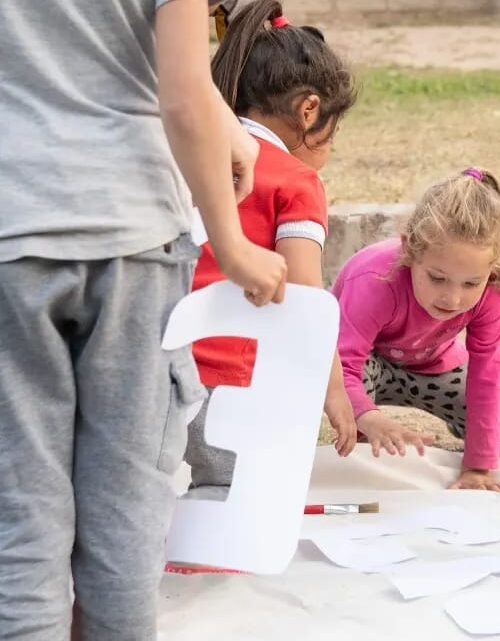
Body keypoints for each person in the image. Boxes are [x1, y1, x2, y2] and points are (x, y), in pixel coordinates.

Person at [0, 0, 288, 637]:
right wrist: (231, 243)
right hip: (130, 237)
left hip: (11, 235)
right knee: (124, 510)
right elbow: (182, 93)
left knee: (21, 518)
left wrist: (219, 116)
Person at [183, 0, 360, 497]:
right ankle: (209, 566)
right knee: (232, 491)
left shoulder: (188, 151)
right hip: (231, 382)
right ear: (310, 111)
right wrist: (333, 389)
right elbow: (305, 296)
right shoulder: (297, 182)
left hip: (157, 371)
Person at [332, 169, 500, 494]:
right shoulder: (374, 279)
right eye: (437, 278)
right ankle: (371, 443)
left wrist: (478, 467)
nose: (452, 299)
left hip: (434, 369)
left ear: (491, 270)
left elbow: (485, 378)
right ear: (410, 250)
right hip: (367, 367)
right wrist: (368, 417)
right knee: (358, 429)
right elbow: (342, 366)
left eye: (470, 283)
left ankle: (460, 423)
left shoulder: (491, 294)